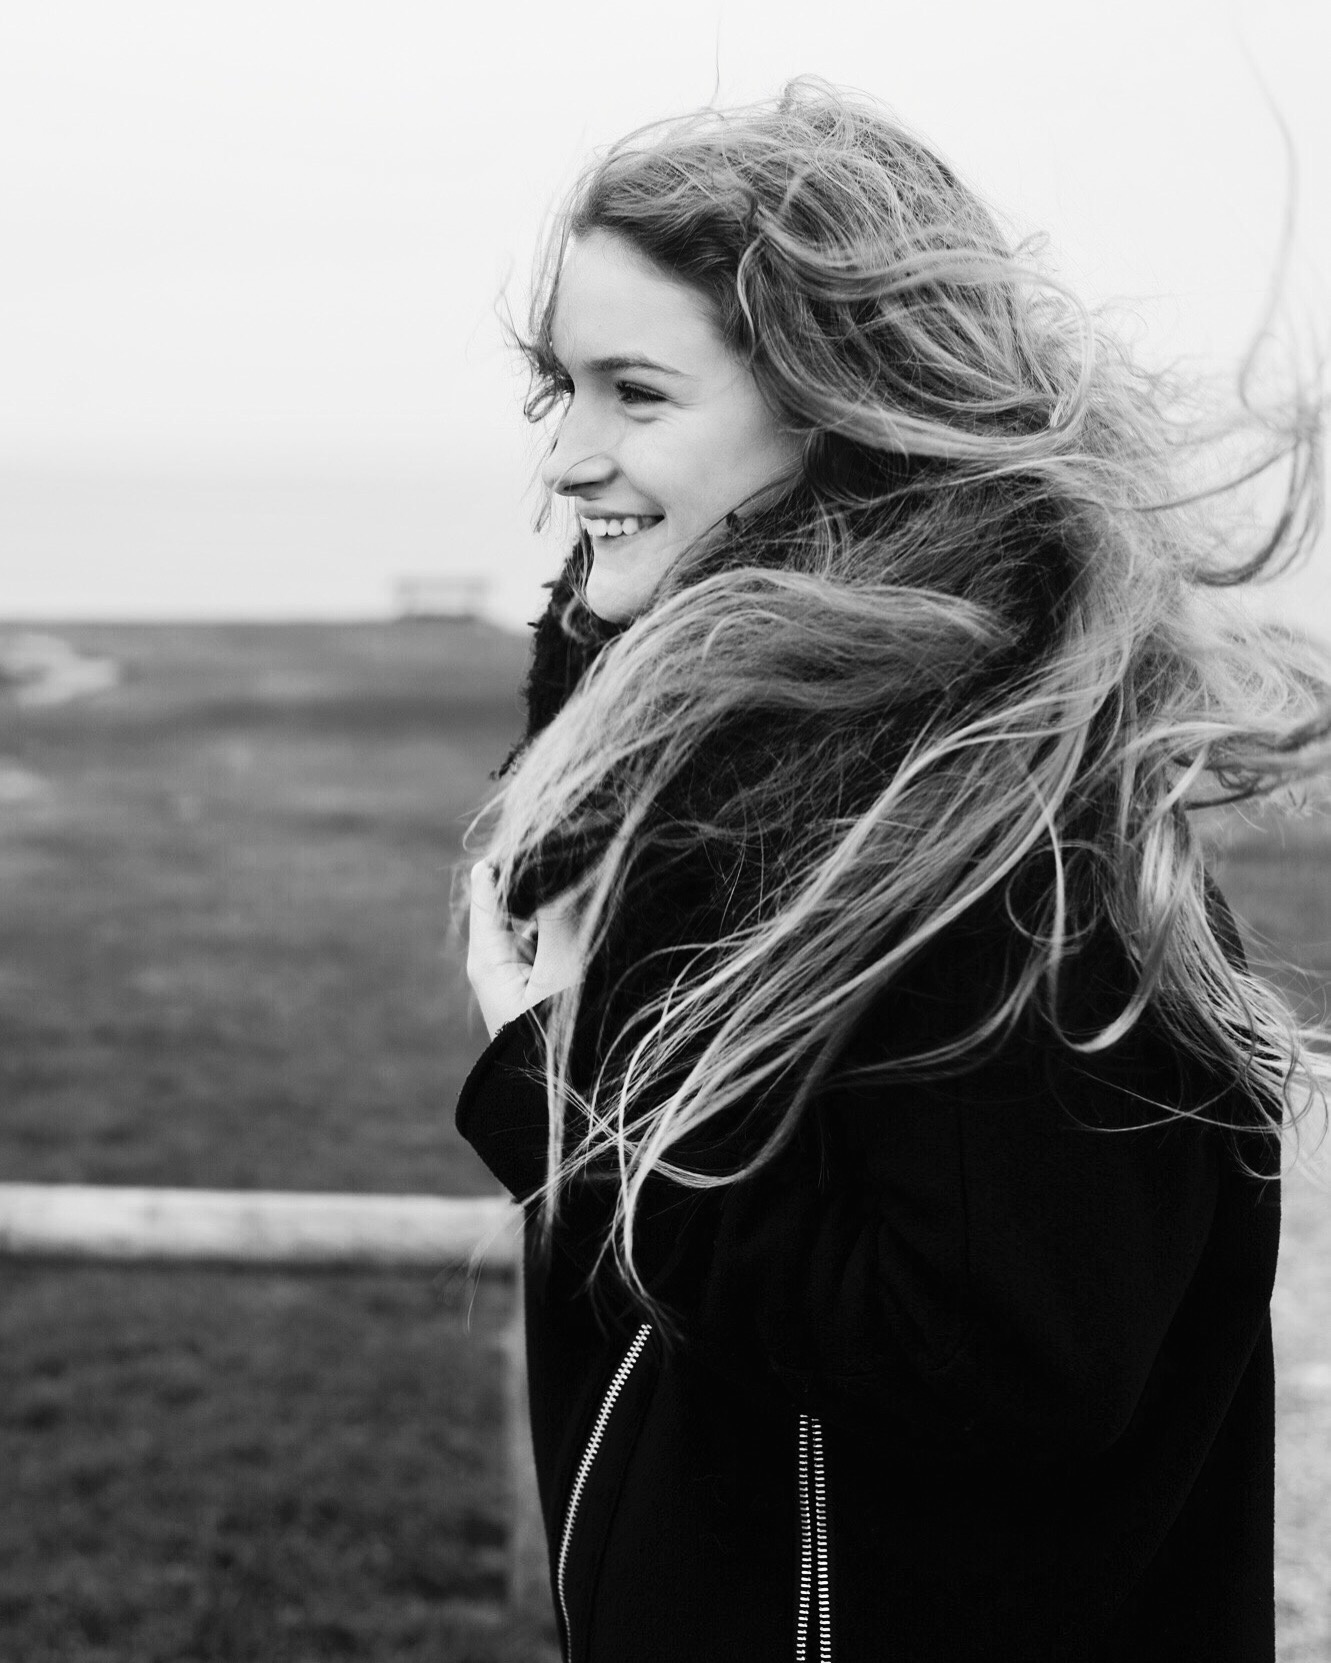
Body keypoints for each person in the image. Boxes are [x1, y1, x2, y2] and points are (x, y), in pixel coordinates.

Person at [457, 79, 1330, 1662]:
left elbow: (1001, 1358)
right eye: (557, 392)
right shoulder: (737, 771)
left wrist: (561, 1088)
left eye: (637, 393)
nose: (570, 459)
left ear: (837, 404)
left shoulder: (985, 820)